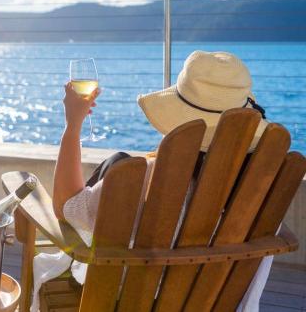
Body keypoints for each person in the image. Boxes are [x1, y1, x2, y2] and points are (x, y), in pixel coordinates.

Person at [39, 51, 271, 312]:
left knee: (118, 166)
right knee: (117, 161)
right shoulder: (261, 187)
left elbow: (65, 208)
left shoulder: (147, 179)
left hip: (127, 302)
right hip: (212, 302)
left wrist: (73, 125)